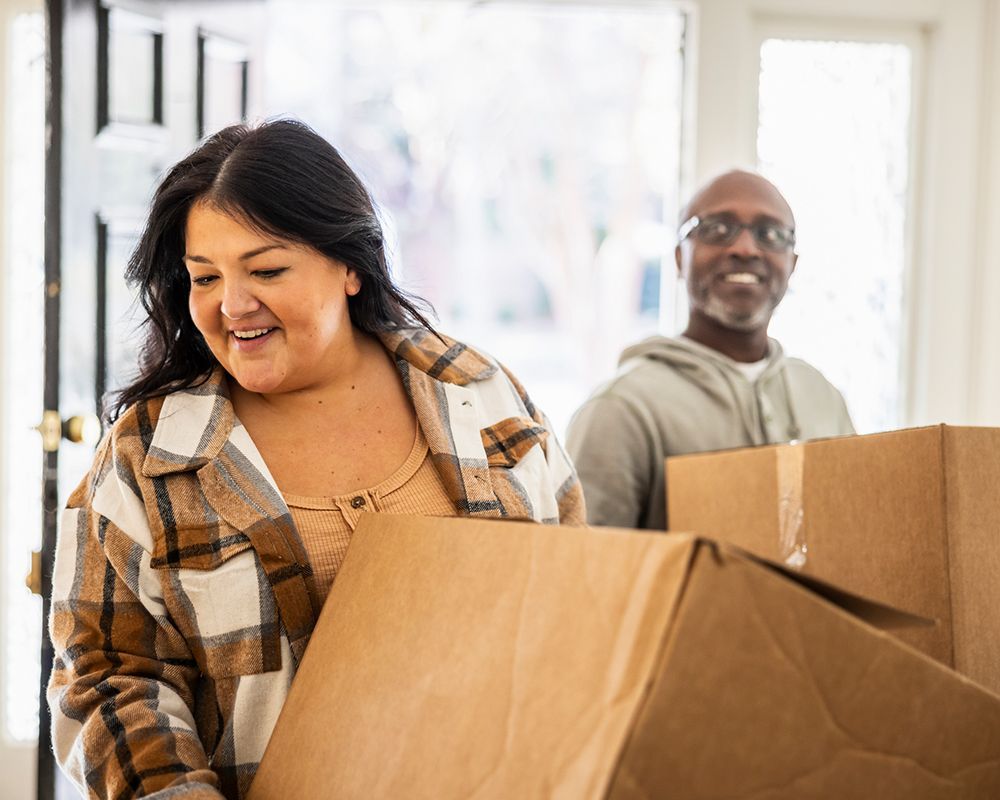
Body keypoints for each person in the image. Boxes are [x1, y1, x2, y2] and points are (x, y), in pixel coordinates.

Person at [47, 119, 584, 800]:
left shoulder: (478, 391)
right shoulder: (146, 458)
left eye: (266, 269)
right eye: (204, 277)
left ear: (351, 265)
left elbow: (574, 592)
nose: (232, 306)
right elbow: (108, 675)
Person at [565, 169, 854, 530]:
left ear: (792, 264)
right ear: (679, 258)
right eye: (717, 229)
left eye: (771, 234)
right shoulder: (622, 409)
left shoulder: (822, 396)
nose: (746, 249)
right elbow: (586, 576)